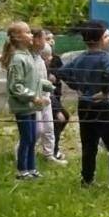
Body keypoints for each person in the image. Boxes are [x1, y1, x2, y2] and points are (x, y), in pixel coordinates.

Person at [56, 20, 109, 190]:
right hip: (101, 105)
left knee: (89, 144)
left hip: (84, 107)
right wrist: (105, 91)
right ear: (101, 39)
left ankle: (87, 180)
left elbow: (61, 72)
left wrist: (77, 87)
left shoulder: (79, 59)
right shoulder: (105, 58)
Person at [2, 21, 52, 180]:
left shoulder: (28, 55)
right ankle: (22, 170)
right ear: (18, 37)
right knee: (26, 138)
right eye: (28, 32)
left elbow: (34, 80)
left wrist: (48, 87)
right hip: (23, 106)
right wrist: (33, 97)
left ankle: (32, 168)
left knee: (32, 138)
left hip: (31, 106)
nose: (31, 35)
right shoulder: (17, 59)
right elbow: (15, 87)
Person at [34, 29, 69, 164]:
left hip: (52, 99)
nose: (51, 41)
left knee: (51, 126)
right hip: (42, 100)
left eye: (52, 38)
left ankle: (51, 151)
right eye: (47, 39)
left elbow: (64, 75)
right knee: (40, 128)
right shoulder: (37, 61)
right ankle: (28, 151)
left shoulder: (55, 59)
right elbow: (44, 87)